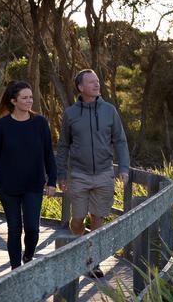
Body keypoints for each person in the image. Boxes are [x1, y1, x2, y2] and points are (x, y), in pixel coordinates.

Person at [56, 69, 130, 278]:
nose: (97, 85)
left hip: (105, 173)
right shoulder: (70, 114)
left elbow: (120, 141)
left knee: (98, 218)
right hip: (79, 174)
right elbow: (63, 146)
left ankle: (93, 263)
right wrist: (61, 174)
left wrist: (123, 167)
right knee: (78, 219)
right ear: (80, 87)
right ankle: (80, 243)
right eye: (91, 82)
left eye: (97, 81)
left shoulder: (109, 110)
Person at [0, 80, 57, 270]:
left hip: (33, 184)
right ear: (13, 101)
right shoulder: (2, 126)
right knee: (14, 228)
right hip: (7, 186)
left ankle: (28, 256)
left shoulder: (40, 123)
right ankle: (16, 270)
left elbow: (49, 154)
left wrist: (52, 181)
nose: (29, 101)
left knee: (32, 228)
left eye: (31, 97)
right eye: (24, 98)